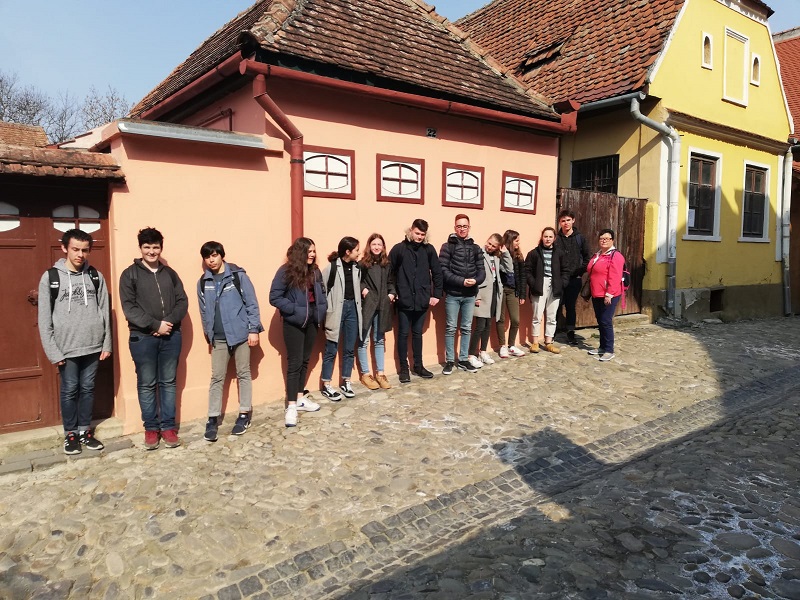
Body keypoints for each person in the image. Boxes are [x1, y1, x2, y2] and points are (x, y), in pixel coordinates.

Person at [37, 229, 112, 455]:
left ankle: (84, 432)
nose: (80, 254)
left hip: (93, 345)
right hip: (66, 348)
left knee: (88, 389)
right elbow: (44, 318)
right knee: (70, 390)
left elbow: (105, 311)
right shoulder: (51, 277)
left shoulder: (95, 276)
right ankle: (70, 434)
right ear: (64, 248)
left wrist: (106, 343)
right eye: (75, 249)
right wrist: (53, 351)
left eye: (85, 250)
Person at [119, 227, 188, 450]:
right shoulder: (129, 274)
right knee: (147, 384)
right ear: (140, 248)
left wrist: (167, 322)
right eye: (147, 247)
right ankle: (151, 429)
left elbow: (182, 301)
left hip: (171, 336)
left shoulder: (170, 274)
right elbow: (129, 308)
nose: (151, 251)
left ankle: (168, 427)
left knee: (168, 382)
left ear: (161, 248)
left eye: (155, 247)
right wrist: (154, 325)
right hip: (142, 338)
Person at [197, 241, 264, 442]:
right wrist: (208, 333)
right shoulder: (203, 282)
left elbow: (251, 303)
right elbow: (203, 310)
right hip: (218, 338)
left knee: (243, 373)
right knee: (217, 377)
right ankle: (212, 418)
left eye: (214, 255)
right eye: (207, 257)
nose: (211, 260)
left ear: (221, 255)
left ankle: (244, 414)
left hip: (241, 334)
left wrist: (253, 330)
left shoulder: (237, 276)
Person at [269, 237, 325, 427]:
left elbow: (322, 293)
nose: (312, 254)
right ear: (300, 252)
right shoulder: (286, 271)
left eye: (314, 251)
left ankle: (300, 398)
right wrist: (294, 309)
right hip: (294, 323)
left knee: (305, 360)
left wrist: (321, 310)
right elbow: (274, 297)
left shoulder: (315, 271)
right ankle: (291, 405)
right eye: (309, 251)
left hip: (312, 321)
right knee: (294, 363)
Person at [389, 218, 443, 383]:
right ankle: (404, 369)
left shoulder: (429, 250)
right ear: (411, 231)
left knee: (417, 334)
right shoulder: (399, 249)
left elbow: (437, 272)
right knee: (403, 334)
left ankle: (418, 366)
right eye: (417, 233)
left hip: (421, 299)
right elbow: (390, 273)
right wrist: (393, 292)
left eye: (422, 234)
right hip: (404, 299)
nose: (419, 237)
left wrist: (436, 294)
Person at [439, 214, 485, 375]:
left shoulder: (476, 248)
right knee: (451, 328)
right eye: (459, 226)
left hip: (470, 295)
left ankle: (464, 359)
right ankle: (450, 361)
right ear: (455, 228)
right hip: (453, 294)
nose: (462, 229)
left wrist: (475, 280)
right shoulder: (447, 247)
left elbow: (482, 271)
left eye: (465, 226)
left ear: (469, 227)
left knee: (466, 328)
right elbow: (443, 270)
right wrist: (461, 281)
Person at [320, 237, 362, 401]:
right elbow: (322, 291)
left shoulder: (357, 268)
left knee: (349, 349)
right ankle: (326, 384)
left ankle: (346, 381)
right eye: (356, 250)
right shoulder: (331, 268)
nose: (359, 253)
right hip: (336, 310)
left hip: (353, 310)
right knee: (331, 348)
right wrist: (326, 311)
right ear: (348, 251)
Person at [357, 233, 396, 391]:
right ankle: (366, 374)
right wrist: (364, 290)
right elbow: (357, 280)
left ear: (383, 247)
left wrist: (391, 293)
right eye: (374, 244)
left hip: (383, 305)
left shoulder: (387, 264)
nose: (377, 247)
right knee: (364, 339)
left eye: (379, 244)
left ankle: (380, 373)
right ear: (369, 246)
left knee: (379, 339)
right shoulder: (362, 264)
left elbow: (391, 281)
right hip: (368, 304)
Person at [526, 227, 569, 354]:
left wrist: (562, 283)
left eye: (550, 237)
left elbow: (565, 270)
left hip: (555, 286)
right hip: (539, 285)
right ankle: (535, 342)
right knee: (537, 316)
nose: (548, 239)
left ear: (554, 238)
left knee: (552, 316)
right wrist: (533, 284)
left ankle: (549, 342)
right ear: (542, 237)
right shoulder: (534, 253)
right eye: (546, 236)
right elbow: (527, 270)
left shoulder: (560, 253)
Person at [587, 228, 626, 362]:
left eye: (607, 239)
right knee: (600, 320)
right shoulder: (598, 254)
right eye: (601, 238)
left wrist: (609, 294)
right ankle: (602, 347)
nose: (604, 241)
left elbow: (615, 277)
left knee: (606, 321)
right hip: (596, 293)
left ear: (612, 240)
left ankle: (609, 350)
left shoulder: (616, 256)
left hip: (609, 294)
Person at [556, 209, 591, 345]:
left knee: (570, 306)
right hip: (559, 278)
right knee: (556, 305)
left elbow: (587, 257)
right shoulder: (556, 238)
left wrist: (579, 271)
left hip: (574, 279)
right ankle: (553, 331)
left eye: (568, 220)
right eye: (563, 221)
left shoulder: (580, 238)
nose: (566, 223)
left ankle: (570, 332)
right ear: (560, 222)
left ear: (573, 220)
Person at [468, 234, 504, 369]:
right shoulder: (479, 253)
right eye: (489, 243)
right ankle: (471, 354)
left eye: (493, 246)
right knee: (480, 326)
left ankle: (483, 351)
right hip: (482, 293)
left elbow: (508, 268)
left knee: (488, 324)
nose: (490, 247)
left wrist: (505, 253)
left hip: (493, 293)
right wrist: (476, 295)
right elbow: (473, 274)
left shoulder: (497, 257)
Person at [497, 229, 527, 358]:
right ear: (510, 241)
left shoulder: (519, 256)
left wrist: (522, 294)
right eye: (516, 240)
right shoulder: (499, 254)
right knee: (500, 319)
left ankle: (511, 345)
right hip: (501, 289)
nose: (518, 243)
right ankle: (502, 346)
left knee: (515, 320)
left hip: (513, 290)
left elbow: (522, 276)